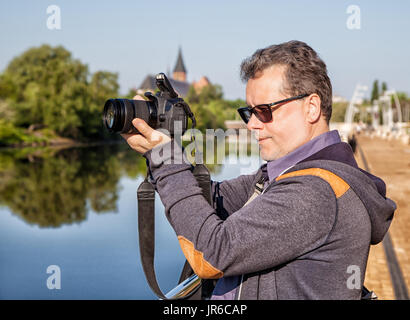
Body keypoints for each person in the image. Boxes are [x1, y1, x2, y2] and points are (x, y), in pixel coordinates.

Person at [122, 40, 396, 299]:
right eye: (249, 112)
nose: (252, 124)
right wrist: (162, 151)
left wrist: (166, 160)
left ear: (311, 107)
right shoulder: (284, 175)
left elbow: (211, 254)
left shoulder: (315, 192)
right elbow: (212, 198)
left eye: (264, 110)